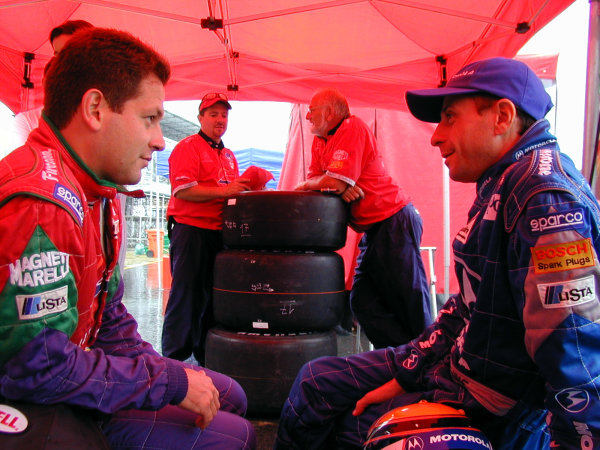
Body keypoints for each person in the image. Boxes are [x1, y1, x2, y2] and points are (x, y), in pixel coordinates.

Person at [275, 57, 600, 449]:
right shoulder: (502, 182)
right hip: (450, 368)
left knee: (345, 428)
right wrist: (407, 374)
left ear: (502, 117)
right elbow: (461, 311)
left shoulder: (546, 201)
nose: (435, 136)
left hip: (487, 403)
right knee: (315, 381)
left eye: (449, 118)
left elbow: (577, 361)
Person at [0, 28, 255, 449]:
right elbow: (37, 370)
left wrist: (168, 374)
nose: (159, 139)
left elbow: (110, 318)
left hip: (72, 380)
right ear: (95, 109)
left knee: (231, 396)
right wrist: (167, 381)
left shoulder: (100, 190)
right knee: (235, 437)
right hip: (40, 405)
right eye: (150, 118)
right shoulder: (43, 204)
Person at [294, 88, 432, 348]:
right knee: (362, 301)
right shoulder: (320, 140)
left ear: (330, 112)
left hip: (394, 218)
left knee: (408, 298)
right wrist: (332, 184)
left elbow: (329, 183)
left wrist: (320, 184)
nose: (308, 116)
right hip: (373, 228)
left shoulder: (351, 128)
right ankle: (402, 356)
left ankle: (427, 361)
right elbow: (324, 183)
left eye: (312, 111)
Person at [162, 93, 252, 365]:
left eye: (224, 115)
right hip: (191, 230)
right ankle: (173, 359)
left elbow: (229, 194)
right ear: (200, 118)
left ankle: (205, 355)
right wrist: (226, 191)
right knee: (186, 295)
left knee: (213, 296)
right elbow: (183, 191)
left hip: (218, 234)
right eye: (213, 114)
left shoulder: (229, 155)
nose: (220, 120)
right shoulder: (187, 147)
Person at [14, 19, 94, 145]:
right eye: (57, 55)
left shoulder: (114, 106)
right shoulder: (29, 120)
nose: (62, 61)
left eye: (69, 53)